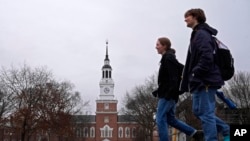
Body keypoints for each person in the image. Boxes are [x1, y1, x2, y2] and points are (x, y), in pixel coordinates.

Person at [180, 8, 230, 141]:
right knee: (198, 111)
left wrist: (195, 73)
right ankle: (225, 128)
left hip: (205, 80)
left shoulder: (202, 34)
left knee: (206, 113)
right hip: (200, 80)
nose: (185, 19)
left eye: (187, 16)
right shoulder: (197, 34)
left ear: (195, 17)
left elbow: (207, 57)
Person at [152, 37, 203, 141]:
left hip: (168, 95)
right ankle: (195, 133)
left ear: (164, 46)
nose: (155, 47)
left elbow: (173, 78)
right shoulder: (169, 58)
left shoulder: (168, 58)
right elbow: (181, 70)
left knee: (160, 118)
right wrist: (159, 90)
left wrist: (170, 92)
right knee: (171, 119)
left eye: (158, 45)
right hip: (169, 94)